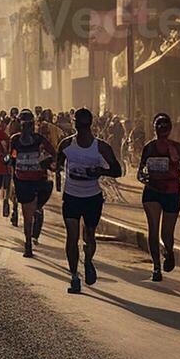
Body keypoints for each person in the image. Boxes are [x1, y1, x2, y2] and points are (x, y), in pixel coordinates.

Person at [55, 108, 123, 294]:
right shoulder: (66, 145)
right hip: (71, 197)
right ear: (75, 124)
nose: (82, 128)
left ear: (88, 124)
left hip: (92, 197)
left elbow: (118, 171)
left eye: (83, 124)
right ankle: (74, 276)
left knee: (89, 237)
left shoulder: (101, 147)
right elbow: (56, 165)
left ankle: (88, 261)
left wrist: (100, 171)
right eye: (79, 124)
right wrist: (56, 177)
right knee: (71, 237)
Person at [137, 113, 180, 282]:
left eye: (165, 126)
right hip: (152, 192)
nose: (162, 129)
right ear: (154, 128)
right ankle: (156, 267)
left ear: (170, 129)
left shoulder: (177, 147)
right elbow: (140, 172)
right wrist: (150, 179)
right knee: (153, 230)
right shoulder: (149, 147)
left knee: (167, 234)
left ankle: (169, 252)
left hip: (171, 192)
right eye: (159, 126)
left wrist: (176, 161)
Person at [9, 114, 54, 257]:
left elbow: (11, 157)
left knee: (27, 215)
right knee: (34, 209)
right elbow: (53, 153)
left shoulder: (16, 139)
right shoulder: (38, 139)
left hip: (22, 180)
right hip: (36, 180)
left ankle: (28, 242)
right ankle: (29, 240)